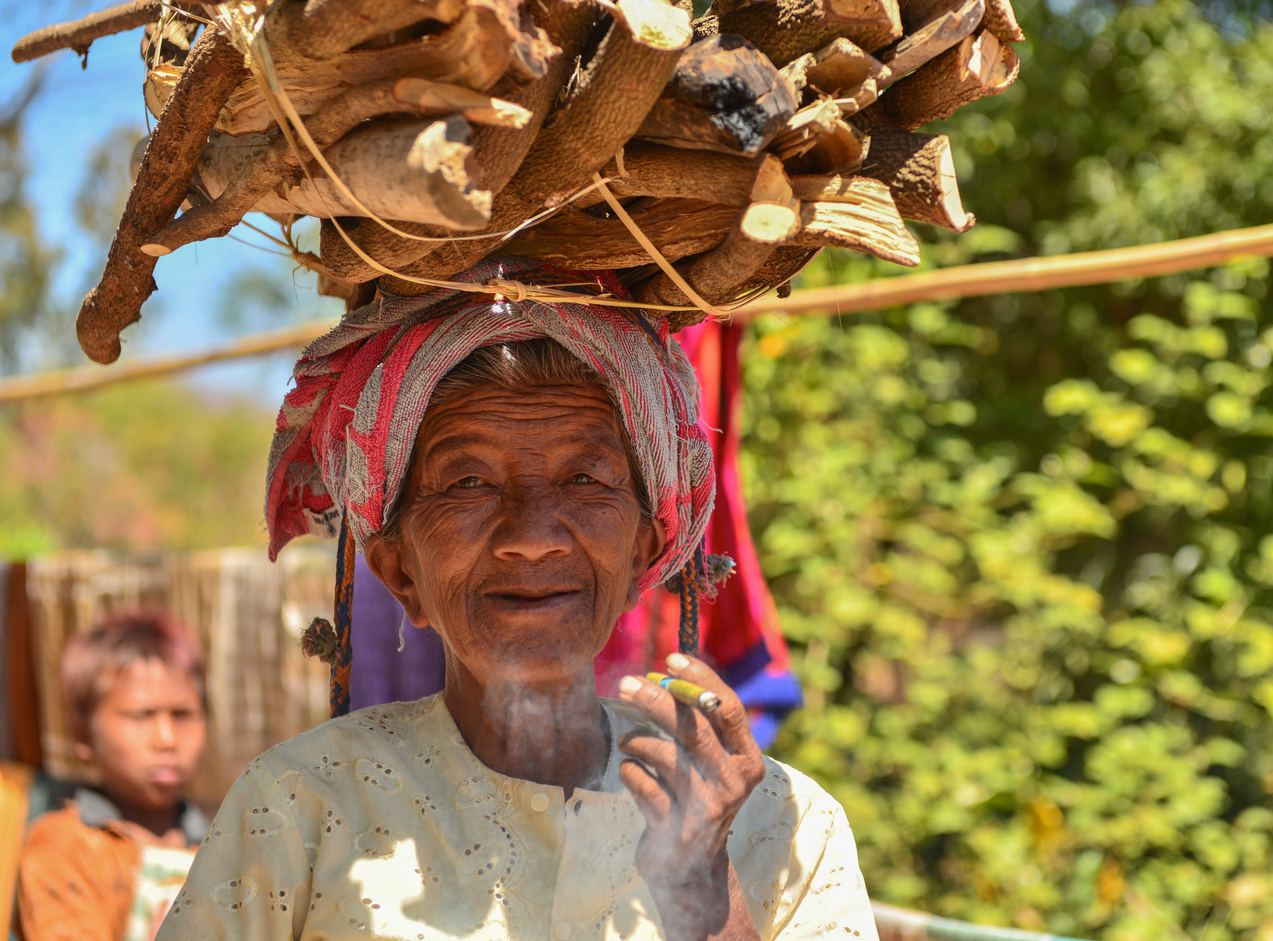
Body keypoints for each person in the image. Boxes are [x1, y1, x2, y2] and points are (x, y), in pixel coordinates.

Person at [159, 261, 875, 941]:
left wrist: (705, 898)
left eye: (586, 479)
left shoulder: (781, 824)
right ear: (401, 571)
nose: (532, 539)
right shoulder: (297, 808)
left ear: (640, 555)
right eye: (468, 483)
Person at [18, 609, 211, 941]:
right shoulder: (63, 846)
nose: (166, 739)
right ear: (82, 734)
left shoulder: (226, 844)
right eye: (141, 715)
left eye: (182, 715)